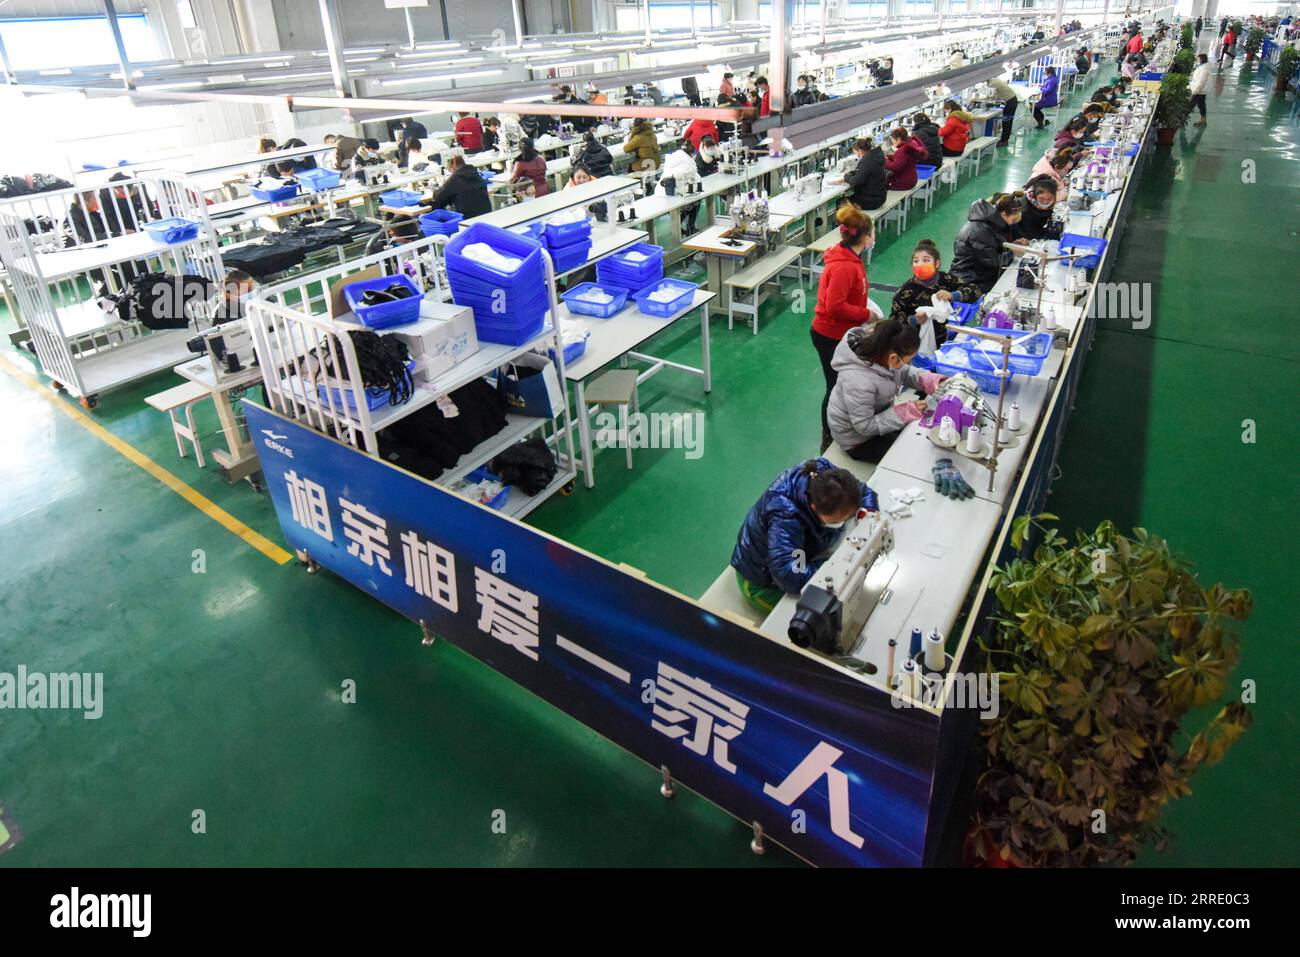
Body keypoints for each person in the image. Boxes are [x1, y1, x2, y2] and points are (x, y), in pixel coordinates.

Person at [730, 458, 878, 613]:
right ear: (815, 508)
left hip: (795, 554)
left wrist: (869, 518)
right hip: (762, 580)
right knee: (814, 619)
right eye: (840, 519)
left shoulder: (827, 477)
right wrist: (835, 564)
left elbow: (862, 491)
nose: (844, 521)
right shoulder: (786, 516)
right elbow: (790, 575)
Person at [827, 320, 946, 463]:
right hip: (857, 440)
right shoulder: (858, 382)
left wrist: (930, 380)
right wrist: (904, 412)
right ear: (893, 358)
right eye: (908, 360)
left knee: (913, 436)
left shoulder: (881, 353)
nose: (908, 365)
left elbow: (905, 371)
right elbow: (865, 426)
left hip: (877, 419)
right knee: (912, 456)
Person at [810, 204, 878, 451]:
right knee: (835, 387)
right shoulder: (844, 266)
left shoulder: (849, 258)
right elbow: (834, 306)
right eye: (872, 232)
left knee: (839, 384)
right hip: (829, 334)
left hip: (840, 331)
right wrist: (866, 313)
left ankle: (839, 427)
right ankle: (828, 435)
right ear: (865, 237)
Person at [887, 239, 983, 347]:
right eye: (916, 261)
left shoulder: (946, 279)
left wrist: (953, 295)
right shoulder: (906, 291)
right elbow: (893, 321)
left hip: (942, 336)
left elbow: (975, 291)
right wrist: (913, 320)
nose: (920, 264)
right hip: (917, 342)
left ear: (937, 263)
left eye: (926, 260)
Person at [950, 192, 1022, 293]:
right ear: (1004, 214)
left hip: (979, 274)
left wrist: (1012, 245)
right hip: (970, 280)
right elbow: (993, 261)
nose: (1012, 224)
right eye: (1013, 220)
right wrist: (1013, 252)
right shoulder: (979, 231)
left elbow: (993, 248)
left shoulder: (989, 224)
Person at [428, 154, 491, 219]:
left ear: (453, 168)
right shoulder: (475, 174)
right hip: (486, 213)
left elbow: (439, 197)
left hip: (468, 217)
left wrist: (437, 190)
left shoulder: (455, 179)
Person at [835, 137, 887, 211]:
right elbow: (866, 172)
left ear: (860, 151)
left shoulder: (867, 161)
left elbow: (856, 182)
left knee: (840, 202)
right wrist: (852, 173)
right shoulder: (876, 156)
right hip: (880, 196)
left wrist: (846, 177)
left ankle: (847, 222)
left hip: (872, 201)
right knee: (851, 198)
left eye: (856, 154)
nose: (857, 156)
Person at [1012, 176, 1063, 241]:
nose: (1045, 202)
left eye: (1049, 199)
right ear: (1034, 195)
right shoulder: (1024, 210)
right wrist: (1054, 235)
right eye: (1041, 199)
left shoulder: (1038, 205)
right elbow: (1030, 235)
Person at [988, 76, 1020, 147]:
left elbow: (990, 94)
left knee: (1006, 122)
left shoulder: (992, 83)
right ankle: (1004, 140)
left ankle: (1004, 141)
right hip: (1012, 100)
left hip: (1010, 101)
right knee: (1007, 121)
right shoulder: (995, 80)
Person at [1189, 53, 1211, 125]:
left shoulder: (1204, 69)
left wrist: (1195, 91)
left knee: (1190, 105)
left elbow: (1201, 82)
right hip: (1201, 90)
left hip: (1200, 90)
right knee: (1201, 104)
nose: (1196, 60)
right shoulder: (1201, 67)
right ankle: (1203, 120)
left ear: (1201, 59)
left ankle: (1181, 120)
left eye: (1197, 59)